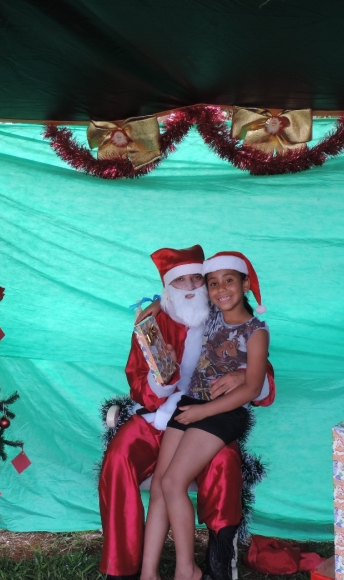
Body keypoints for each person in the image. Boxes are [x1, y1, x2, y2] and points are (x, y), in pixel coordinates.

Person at [99, 245, 274, 580]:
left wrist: (241, 377)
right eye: (181, 281)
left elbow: (258, 377)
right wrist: (161, 374)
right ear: (168, 287)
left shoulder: (226, 317)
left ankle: (218, 559)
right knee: (124, 459)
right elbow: (139, 384)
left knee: (219, 463)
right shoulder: (153, 324)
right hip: (162, 412)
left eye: (198, 278)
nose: (192, 287)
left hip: (211, 413)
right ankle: (129, 567)